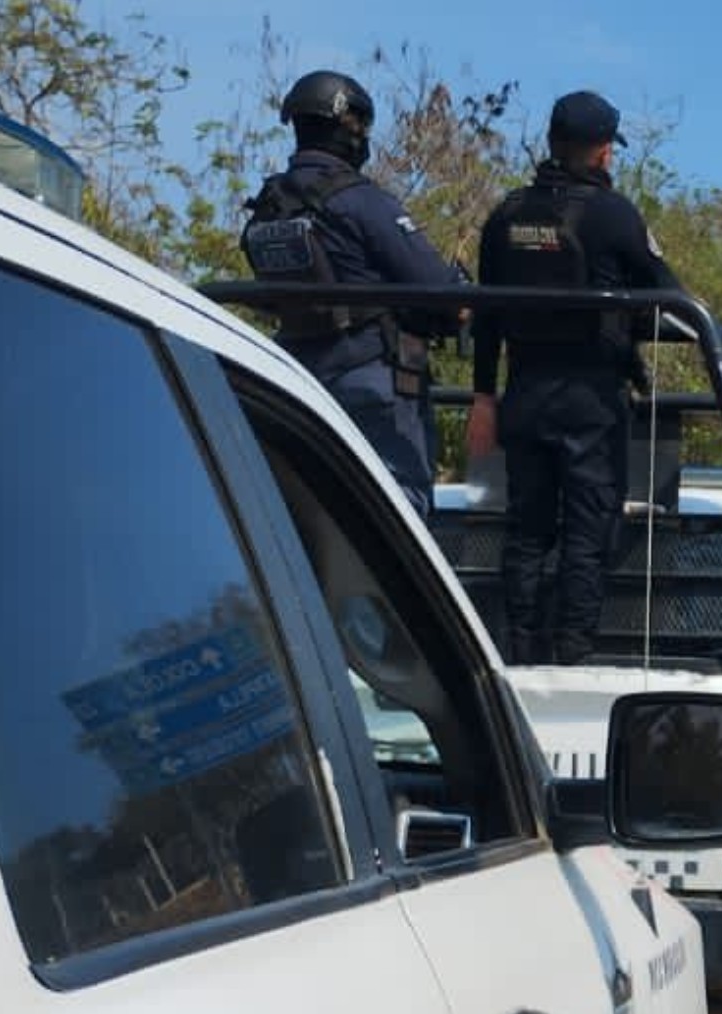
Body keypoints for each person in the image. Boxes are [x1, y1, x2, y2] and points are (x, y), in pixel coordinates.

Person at [464, 90, 685, 666]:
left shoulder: (506, 215)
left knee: (527, 529)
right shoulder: (615, 215)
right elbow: (672, 296)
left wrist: (482, 396)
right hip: (590, 398)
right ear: (605, 152)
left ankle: (517, 651)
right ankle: (572, 653)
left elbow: (486, 315)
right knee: (589, 529)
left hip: (524, 392)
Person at [239, 70, 465, 520]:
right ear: (348, 127)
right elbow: (435, 285)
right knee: (399, 511)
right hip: (372, 379)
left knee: (309, 512)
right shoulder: (361, 201)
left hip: (296, 379)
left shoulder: (267, 206)